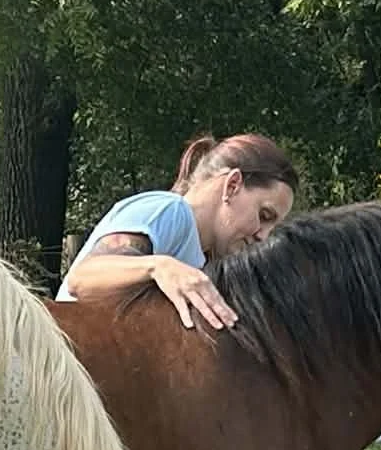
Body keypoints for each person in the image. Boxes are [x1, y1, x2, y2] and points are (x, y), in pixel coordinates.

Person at [58, 133, 298, 328]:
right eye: (264, 216)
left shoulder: (204, 260)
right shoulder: (170, 211)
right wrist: (159, 267)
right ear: (232, 185)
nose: (263, 236)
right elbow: (82, 279)